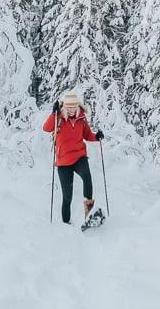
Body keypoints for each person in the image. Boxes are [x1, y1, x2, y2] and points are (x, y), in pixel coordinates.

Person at [42, 92, 104, 224]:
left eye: (73, 107)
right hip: (63, 162)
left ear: (77, 106)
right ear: (64, 107)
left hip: (79, 156)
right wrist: (53, 114)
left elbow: (87, 135)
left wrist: (96, 137)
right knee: (67, 196)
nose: (71, 110)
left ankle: (89, 214)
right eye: (68, 107)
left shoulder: (81, 118)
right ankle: (66, 223)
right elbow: (46, 128)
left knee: (87, 178)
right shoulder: (58, 118)